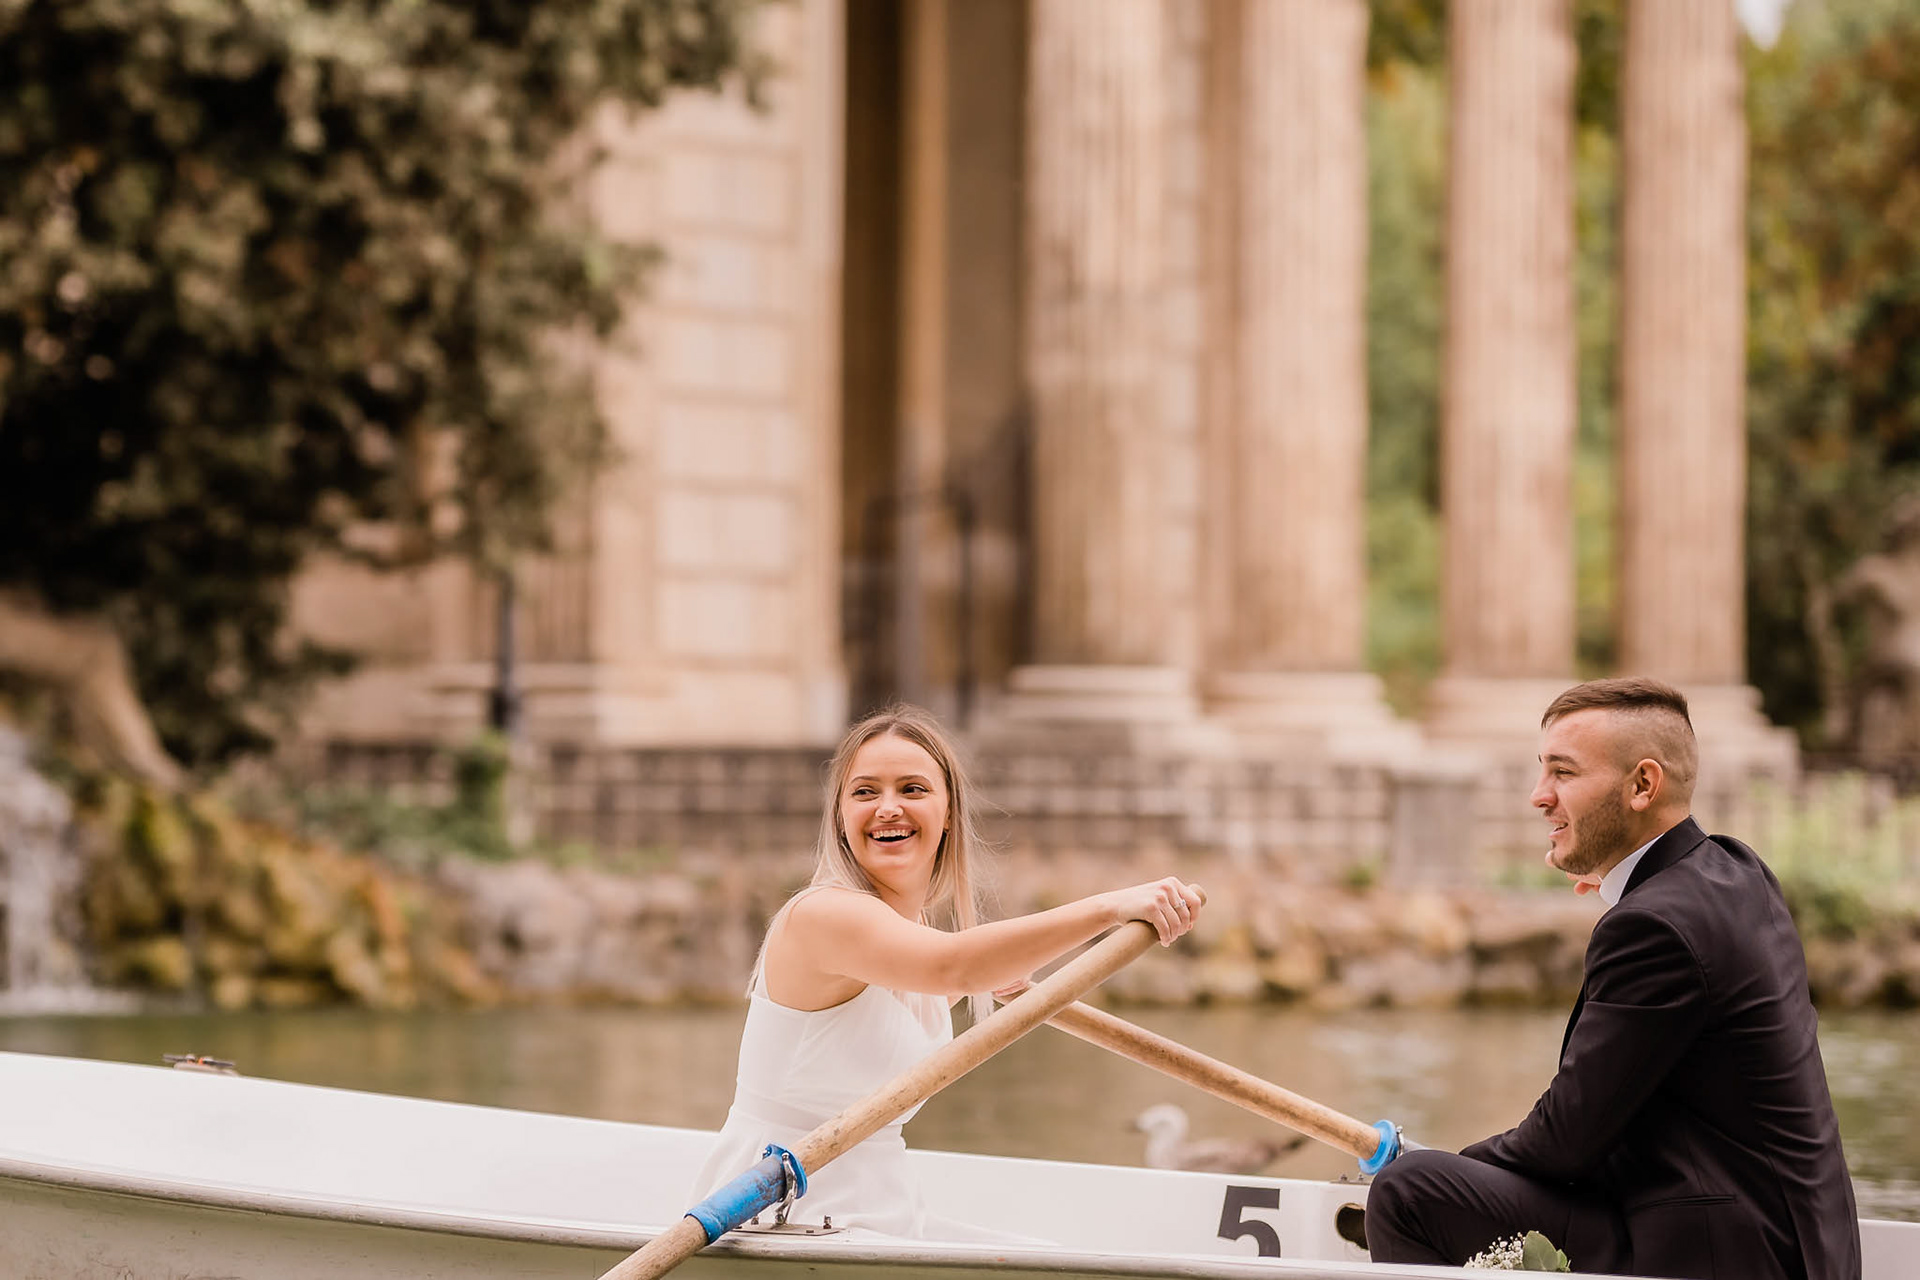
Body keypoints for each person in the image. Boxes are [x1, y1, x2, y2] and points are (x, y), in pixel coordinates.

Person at [1366, 677, 1860, 1280]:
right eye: (1542, 771)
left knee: (1412, 1190)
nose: (1537, 796)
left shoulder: (1654, 925)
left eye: (1563, 773)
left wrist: (1447, 1160)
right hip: (1801, 1246)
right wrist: (1616, 885)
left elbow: (1562, 1143)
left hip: (1722, 1258)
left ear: (1643, 785)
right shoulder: (1738, 872)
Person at [689, 704, 1205, 1239]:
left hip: (879, 1207)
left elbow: (960, 965)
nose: (888, 808)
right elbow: (955, 965)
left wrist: (1005, 978)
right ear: (841, 817)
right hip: (774, 1208)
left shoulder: (915, 945)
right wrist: (1108, 908)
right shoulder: (823, 915)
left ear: (949, 813)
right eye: (865, 792)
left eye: (912, 789)